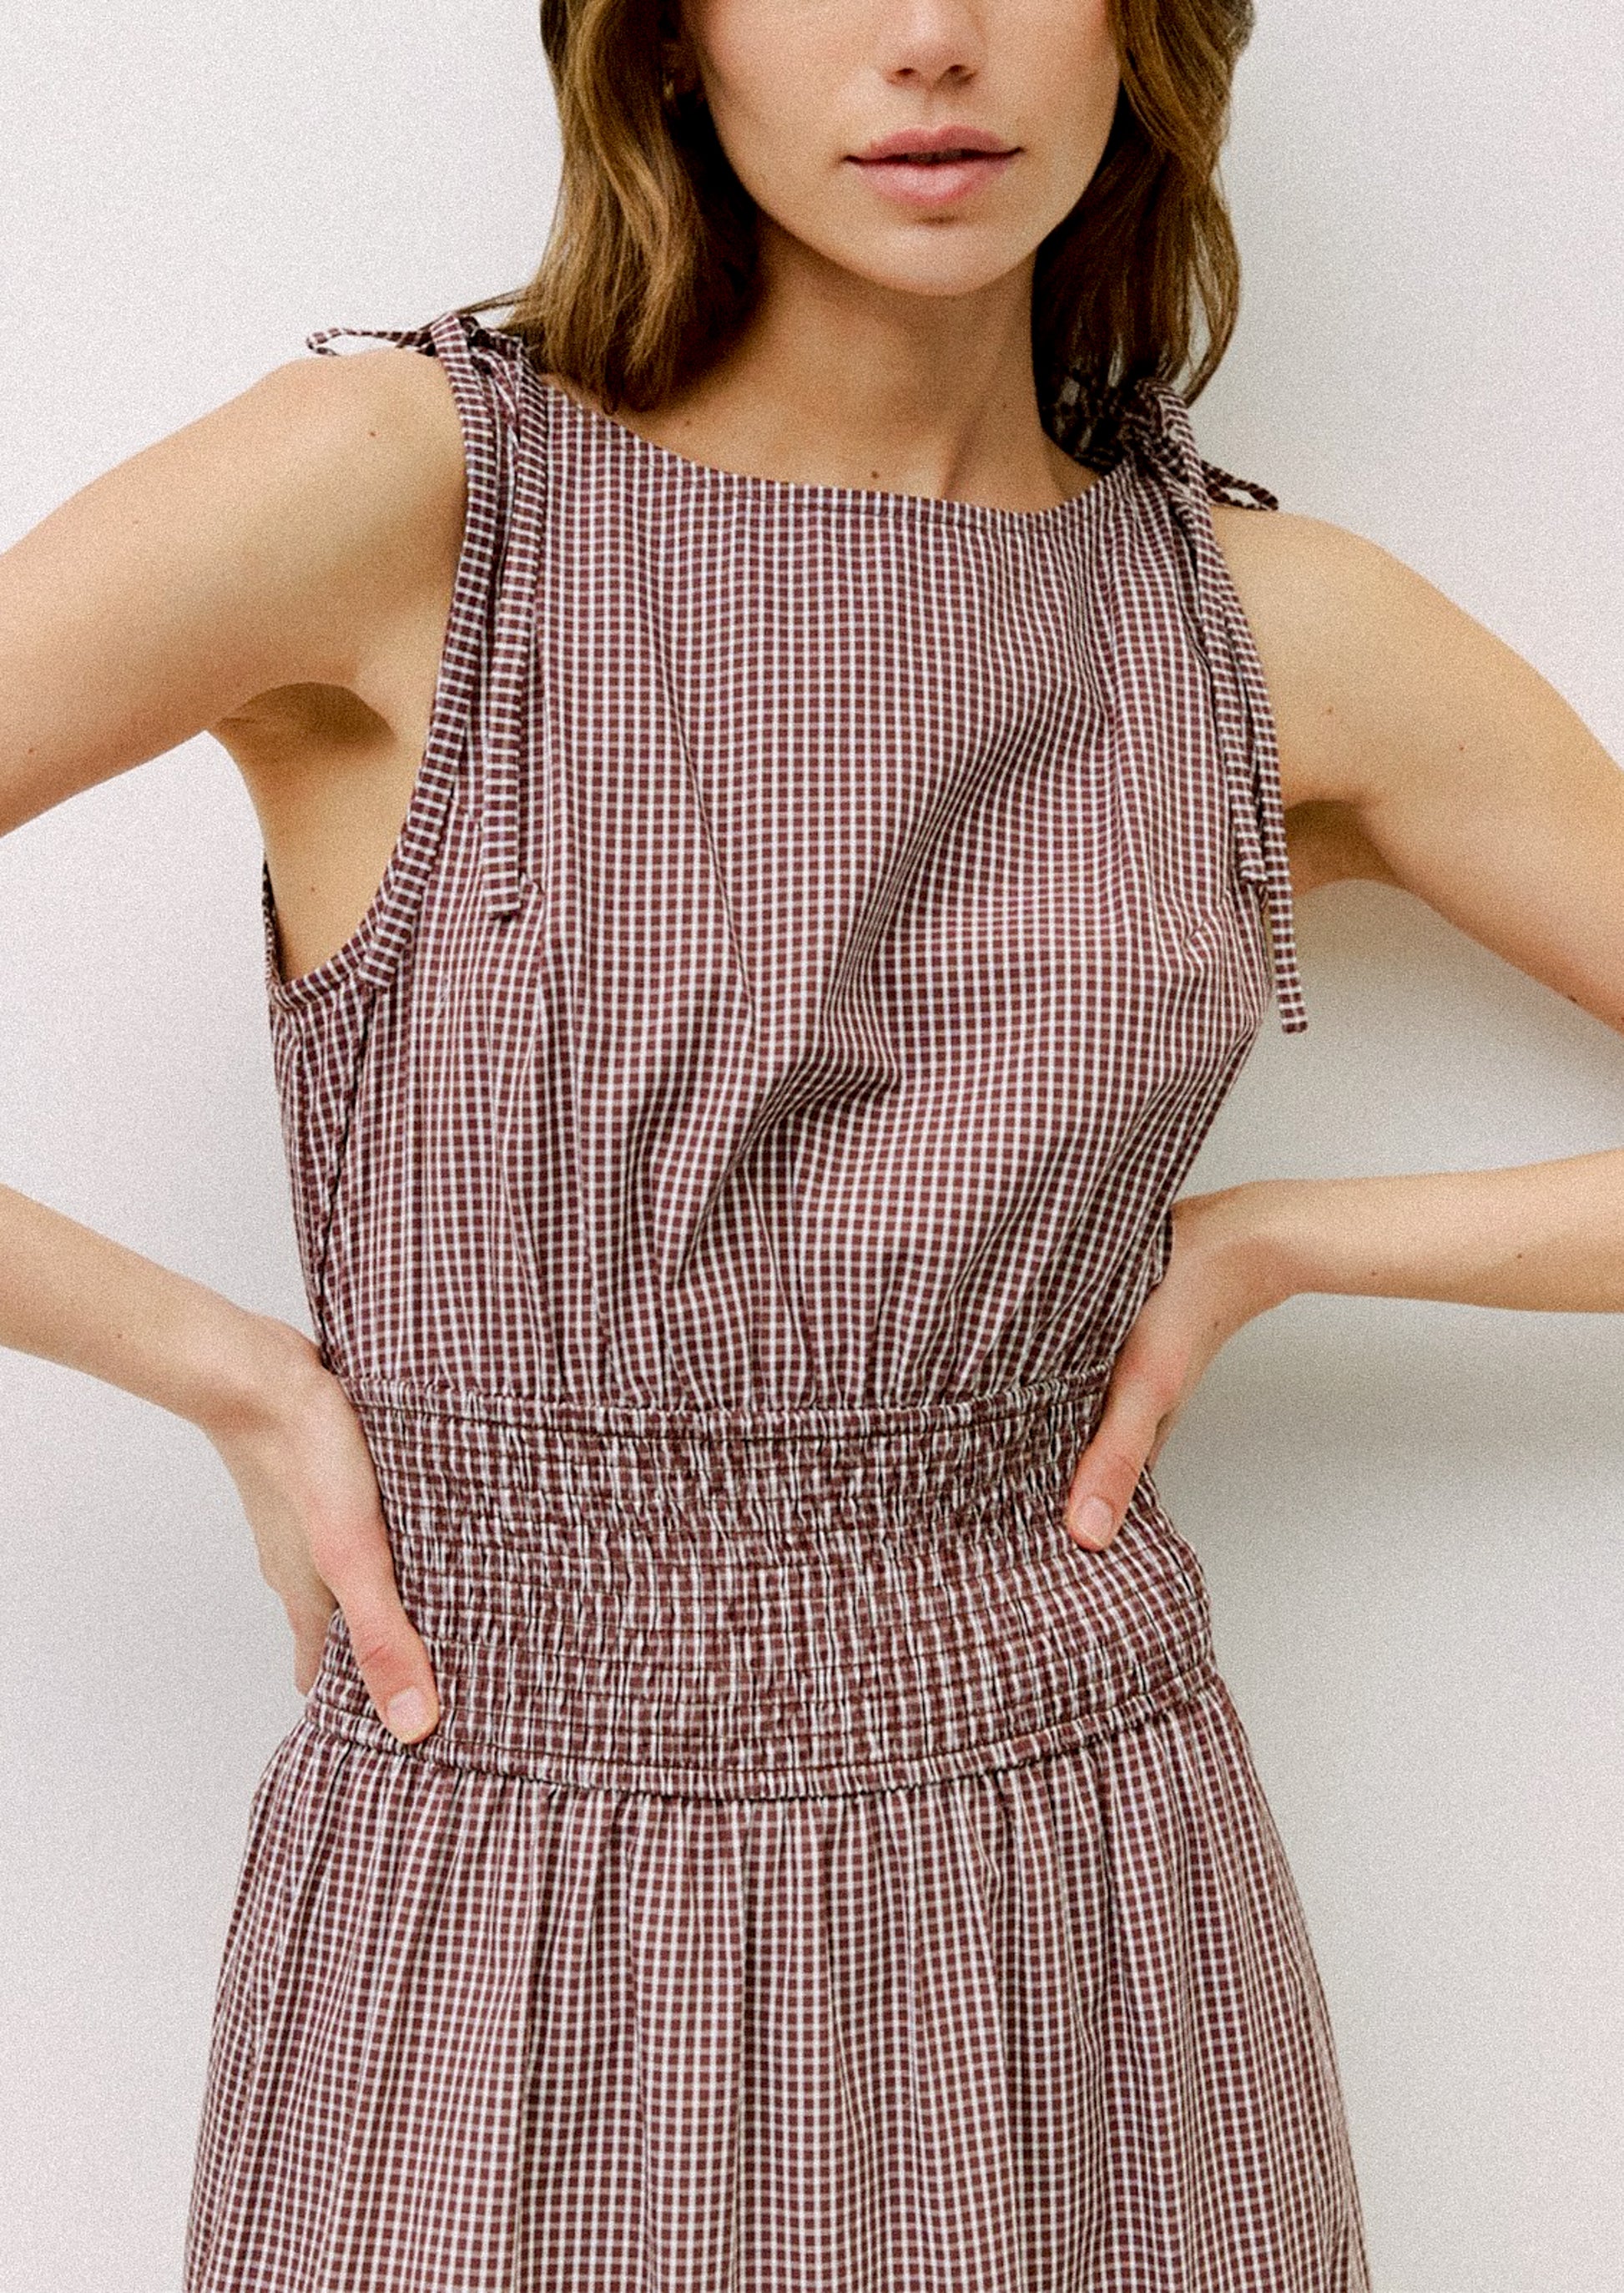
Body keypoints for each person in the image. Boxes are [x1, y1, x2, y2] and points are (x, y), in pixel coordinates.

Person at [3, 0, 1621, 2282]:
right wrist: (226, 1370)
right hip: (501, 1872)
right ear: (664, 40)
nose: (933, 40)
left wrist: (1286, 1240)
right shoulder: (406, 497)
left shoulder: (1267, 636)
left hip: (1073, 1899)